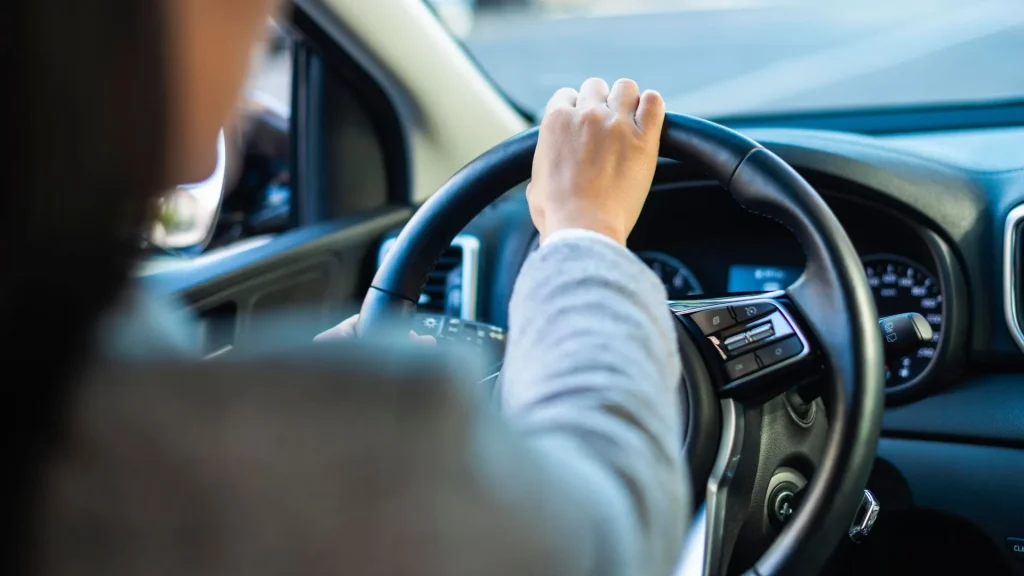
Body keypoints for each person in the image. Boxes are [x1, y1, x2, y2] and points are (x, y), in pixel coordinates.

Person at [9, 1, 688, 575]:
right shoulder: (299, 454)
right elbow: (610, 530)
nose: (264, 23)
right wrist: (585, 233)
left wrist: (355, 342)